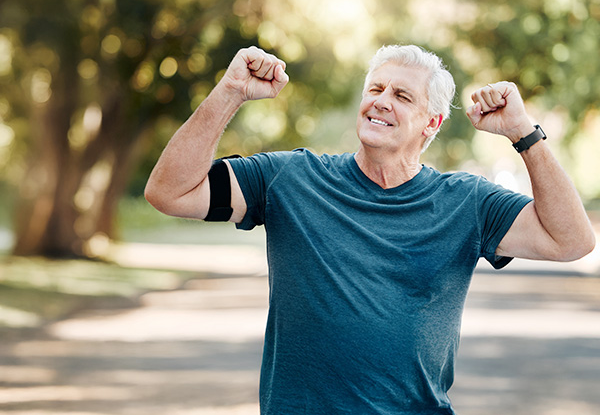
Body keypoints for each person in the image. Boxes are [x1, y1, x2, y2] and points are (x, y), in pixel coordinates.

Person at [145, 45, 596, 414]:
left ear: (432, 124)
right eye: (375, 89)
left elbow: (572, 241)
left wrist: (524, 133)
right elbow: (170, 192)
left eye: (402, 96)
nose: (381, 100)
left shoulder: (468, 202)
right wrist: (230, 92)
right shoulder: (292, 178)